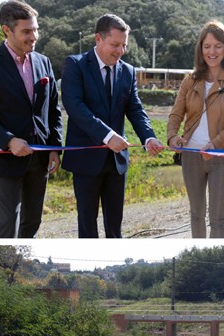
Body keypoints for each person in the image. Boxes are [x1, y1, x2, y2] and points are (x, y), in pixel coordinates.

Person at [61, 14, 164, 238]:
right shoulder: (76, 65)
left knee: (115, 228)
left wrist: (149, 138)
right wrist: (107, 136)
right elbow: (75, 107)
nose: (120, 51)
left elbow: (135, 109)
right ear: (98, 39)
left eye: (124, 45)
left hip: (117, 163)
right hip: (86, 160)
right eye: (115, 44)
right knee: (87, 227)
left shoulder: (127, 71)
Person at [0, 0, 62, 238]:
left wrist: (55, 149)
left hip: (40, 158)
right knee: (9, 221)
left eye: (36, 30)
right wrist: (9, 141)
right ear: (6, 30)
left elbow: (54, 110)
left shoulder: (44, 62)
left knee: (33, 221)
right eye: (27, 31)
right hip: (5, 158)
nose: (34, 37)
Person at [167, 21, 224, 238]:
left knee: (218, 220)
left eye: (218, 46)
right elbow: (176, 114)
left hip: (220, 155)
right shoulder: (189, 81)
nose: (212, 51)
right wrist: (172, 136)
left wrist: (215, 144)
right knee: (196, 215)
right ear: (201, 49)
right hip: (191, 155)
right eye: (207, 46)